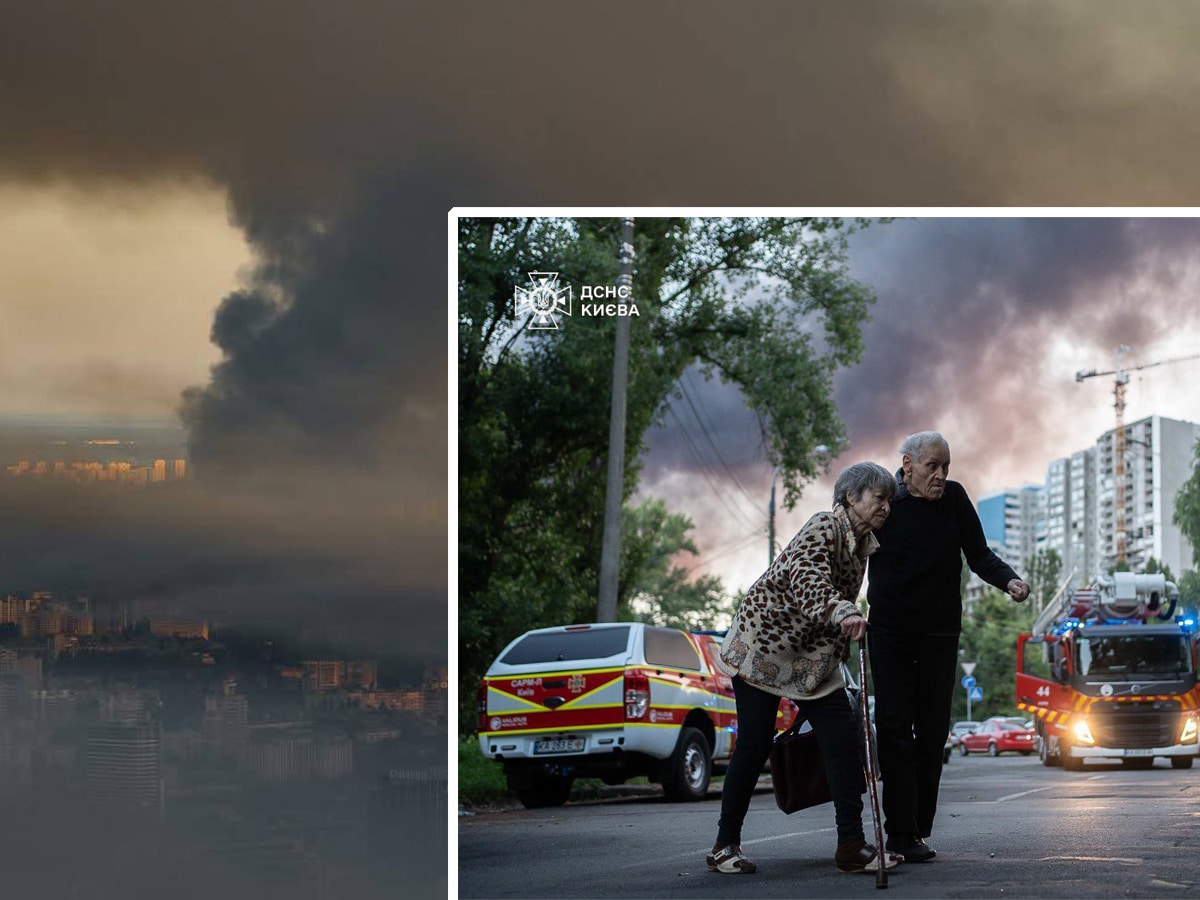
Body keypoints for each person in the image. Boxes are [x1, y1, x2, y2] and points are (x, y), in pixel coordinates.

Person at [707, 461, 903, 876]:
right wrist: (844, 610)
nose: (886, 506)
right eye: (878, 497)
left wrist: (842, 630)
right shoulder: (824, 526)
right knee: (755, 743)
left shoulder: (862, 545)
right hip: (764, 649)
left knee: (843, 737)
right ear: (851, 497)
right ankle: (725, 846)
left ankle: (850, 845)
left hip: (812, 660)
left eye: (890, 499)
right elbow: (808, 578)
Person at [865, 431, 1031, 863]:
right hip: (891, 633)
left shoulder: (954, 499)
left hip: (940, 634)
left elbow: (978, 553)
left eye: (946, 467)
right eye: (931, 467)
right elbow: (852, 549)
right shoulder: (886, 503)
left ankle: (917, 829)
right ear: (907, 465)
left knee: (934, 731)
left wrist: (1008, 579)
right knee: (895, 727)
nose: (940, 476)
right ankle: (898, 831)